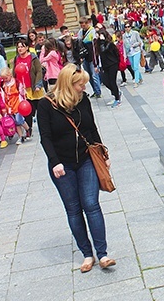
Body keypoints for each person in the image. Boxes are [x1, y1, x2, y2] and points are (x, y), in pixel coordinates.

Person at [37, 64, 116, 273]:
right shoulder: (46, 105)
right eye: (80, 85)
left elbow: (91, 128)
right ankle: (87, 254)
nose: (83, 88)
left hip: (86, 159)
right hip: (62, 165)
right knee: (73, 209)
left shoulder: (83, 100)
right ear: (67, 84)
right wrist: (55, 162)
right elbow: (45, 137)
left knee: (91, 204)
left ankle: (103, 254)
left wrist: (103, 154)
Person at [13, 39, 45, 137]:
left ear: (27, 47)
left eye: (22, 46)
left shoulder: (33, 58)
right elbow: (14, 72)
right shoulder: (17, 58)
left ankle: (44, 127)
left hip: (34, 87)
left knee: (40, 109)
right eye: (18, 47)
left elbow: (39, 71)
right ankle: (29, 129)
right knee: (27, 110)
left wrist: (38, 85)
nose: (20, 49)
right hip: (24, 88)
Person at [0, 67, 29, 145]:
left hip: (17, 104)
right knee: (16, 122)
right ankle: (21, 136)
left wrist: (23, 92)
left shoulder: (16, 83)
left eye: (6, 78)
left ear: (10, 75)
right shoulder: (3, 84)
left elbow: (22, 92)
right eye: (3, 78)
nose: (5, 80)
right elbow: (3, 95)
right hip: (9, 106)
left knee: (19, 120)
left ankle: (27, 129)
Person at [96, 26, 121, 107]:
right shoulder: (99, 44)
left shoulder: (109, 44)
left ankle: (117, 98)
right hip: (105, 65)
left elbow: (107, 51)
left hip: (112, 64)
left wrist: (102, 41)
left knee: (112, 81)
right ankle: (116, 92)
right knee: (105, 81)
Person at [77, 17, 102, 97]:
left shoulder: (93, 31)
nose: (82, 26)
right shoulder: (80, 32)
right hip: (85, 57)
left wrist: (96, 61)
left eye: (83, 24)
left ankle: (98, 92)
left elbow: (95, 46)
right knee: (88, 76)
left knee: (94, 75)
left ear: (87, 23)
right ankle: (95, 91)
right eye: (81, 24)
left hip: (92, 57)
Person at [123, 22, 143, 88]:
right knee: (133, 67)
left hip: (136, 51)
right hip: (129, 53)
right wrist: (125, 55)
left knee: (136, 66)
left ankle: (136, 81)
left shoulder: (135, 33)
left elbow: (139, 41)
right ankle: (140, 77)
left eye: (128, 26)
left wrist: (133, 45)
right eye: (126, 27)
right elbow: (124, 46)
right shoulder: (124, 36)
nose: (127, 28)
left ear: (130, 27)